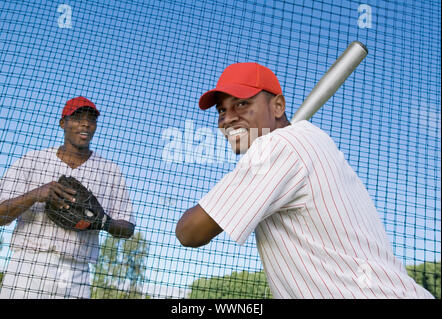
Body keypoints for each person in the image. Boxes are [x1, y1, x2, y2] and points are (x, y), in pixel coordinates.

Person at [176, 62, 434, 299]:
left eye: (241, 103)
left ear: (277, 106)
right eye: (222, 109)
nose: (227, 118)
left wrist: (231, 185)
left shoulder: (279, 145)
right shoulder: (310, 140)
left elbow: (189, 232)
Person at [0, 96, 135, 299]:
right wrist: (35, 195)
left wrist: (104, 222)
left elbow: (128, 228)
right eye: (77, 117)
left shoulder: (110, 171)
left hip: (75, 271)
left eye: (91, 119)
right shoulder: (33, 160)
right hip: (27, 265)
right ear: (63, 123)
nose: (85, 123)